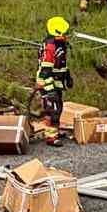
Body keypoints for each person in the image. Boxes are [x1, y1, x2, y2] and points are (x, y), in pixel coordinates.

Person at [35, 15, 73, 145]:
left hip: (57, 82)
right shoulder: (50, 46)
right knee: (52, 109)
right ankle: (51, 137)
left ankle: (54, 131)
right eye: (65, 32)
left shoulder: (59, 45)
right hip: (48, 82)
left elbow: (61, 64)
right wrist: (49, 89)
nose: (67, 34)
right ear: (57, 31)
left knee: (58, 107)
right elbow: (46, 69)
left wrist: (67, 77)